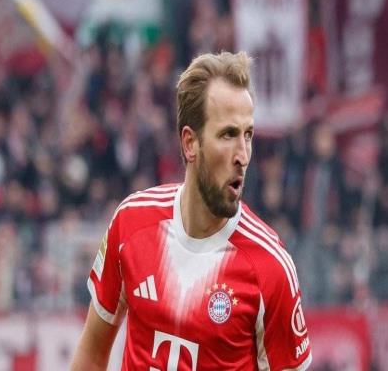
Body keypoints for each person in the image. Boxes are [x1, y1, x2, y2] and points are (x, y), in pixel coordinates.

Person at [70, 51, 312, 370]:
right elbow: (91, 352)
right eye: (228, 135)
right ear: (189, 143)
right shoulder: (131, 223)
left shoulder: (270, 266)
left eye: (248, 135)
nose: (243, 155)